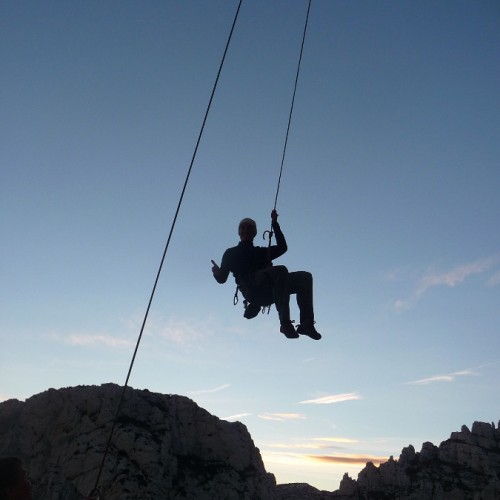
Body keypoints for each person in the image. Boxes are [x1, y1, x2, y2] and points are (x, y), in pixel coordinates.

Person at [211, 210, 321, 340]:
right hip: (251, 289)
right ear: (239, 232)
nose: (246, 230)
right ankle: (285, 323)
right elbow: (222, 279)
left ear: (255, 232)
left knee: (304, 278)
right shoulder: (231, 253)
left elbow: (282, 247)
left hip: (271, 292)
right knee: (280, 271)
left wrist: (275, 223)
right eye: (243, 227)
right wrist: (216, 273)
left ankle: (306, 323)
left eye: (250, 228)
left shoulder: (261, 252)